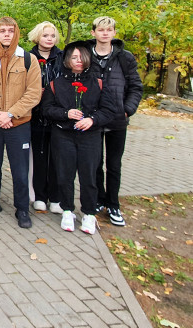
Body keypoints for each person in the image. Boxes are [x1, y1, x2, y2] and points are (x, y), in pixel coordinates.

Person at [0, 17, 42, 229]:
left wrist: (10, 114)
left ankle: (22, 208)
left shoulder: (29, 60)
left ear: (16, 33)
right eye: (2, 31)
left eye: (10, 31)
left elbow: (33, 94)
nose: (6, 34)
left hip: (19, 124)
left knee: (20, 169)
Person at [41, 41, 116, 234]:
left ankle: (89, 214)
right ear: (67, 60)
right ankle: (67, 210)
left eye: (81, 57)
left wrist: (92, 120)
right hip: (63, 135)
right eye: (74, 57)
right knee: (64, 175)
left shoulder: (97, 82)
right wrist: (66, 113)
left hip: (89, 136)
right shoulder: (56, 84)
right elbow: (47, 109)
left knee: (89, 175)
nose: (78, 61)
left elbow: (109, 110)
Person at [88, 16, 143, 226]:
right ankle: (98, 200)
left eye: (109, 30)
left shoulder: (125, 58)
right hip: (93, 119)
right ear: (93, 33)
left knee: (114, 164)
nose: (105, 33)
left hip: (117, 120)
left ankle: (113, 204)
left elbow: (136, 87)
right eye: (101, 30)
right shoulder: (86, 56)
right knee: (94, 163)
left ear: (114, 33)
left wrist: (127, 110)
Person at [27, 21, 64, 214]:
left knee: (57, 159)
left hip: (58, 116)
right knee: (39, 157)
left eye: (52, 36)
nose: (49, 39)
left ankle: (56, 198)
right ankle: (40, 196)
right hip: (36, 115)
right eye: (45, 35)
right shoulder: (28, 57)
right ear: (37, 37)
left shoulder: (63, 57)